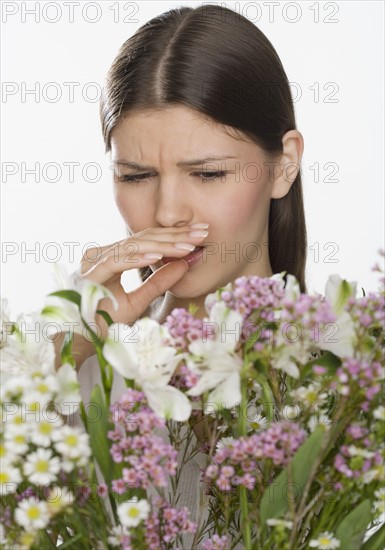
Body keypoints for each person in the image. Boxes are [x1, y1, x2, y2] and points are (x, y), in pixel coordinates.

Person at [61, 3, 306, 545]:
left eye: (208, 173)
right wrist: (70, 343)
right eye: (137, 175)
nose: (169, 212)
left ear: (284, 165)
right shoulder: (76, 379)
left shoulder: (348, 379)